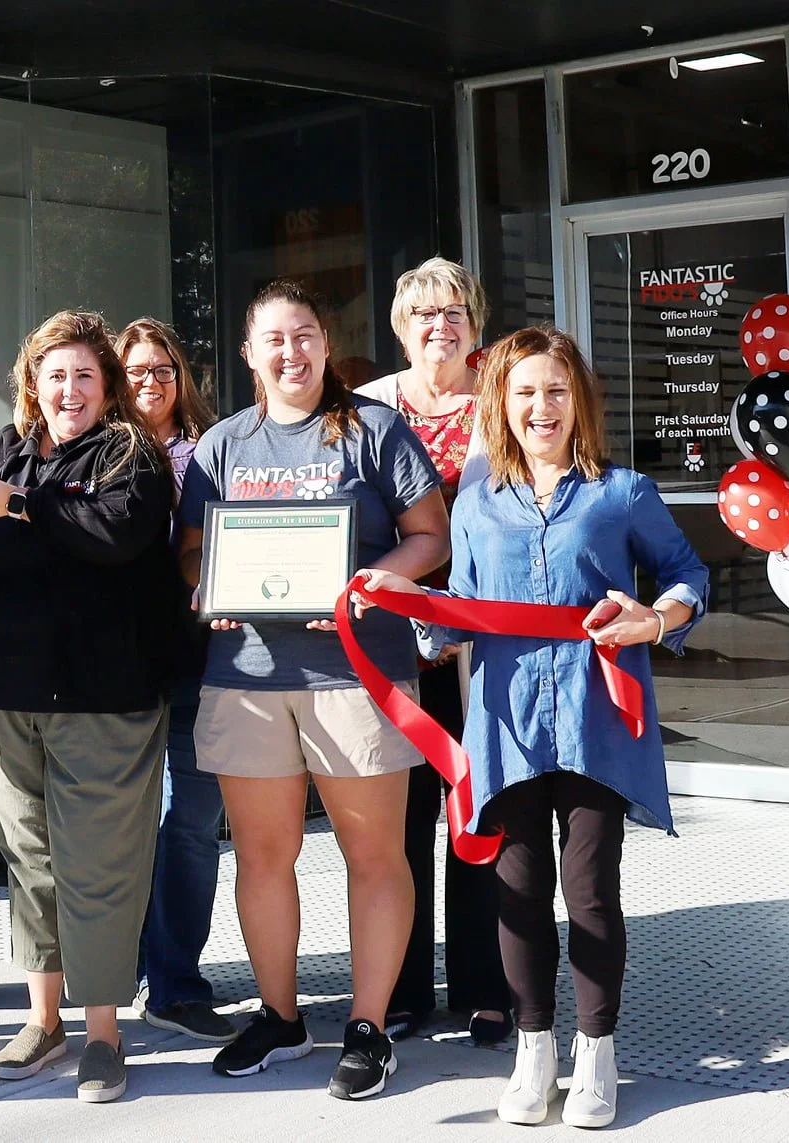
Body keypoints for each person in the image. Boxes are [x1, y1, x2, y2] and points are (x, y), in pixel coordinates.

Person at [356, 326, 708, 1129]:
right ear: (500, 406)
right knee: (513, 896)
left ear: (577, 399)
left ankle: (596, 1051)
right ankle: (533, 1045)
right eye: (523, 393)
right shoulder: (475, 503)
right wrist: (403, 604)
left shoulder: (620, 491)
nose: (540, 407)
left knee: (588, 892)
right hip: (507, 722)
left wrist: (654, 620)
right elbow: (460, 615)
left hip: (597, 719)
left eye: (554, 390)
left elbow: (687, 572)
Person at [177, 279, 450, 1101]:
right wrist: (207, 589)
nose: (290, 352)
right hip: (248, 681)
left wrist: (373, 580)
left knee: (373, 853)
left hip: (355, 675)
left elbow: (428, 535)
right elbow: (193, 554)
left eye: (304, 335)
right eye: (274, 339)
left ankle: (366, 1026)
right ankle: (280, 1015)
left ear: (324, 344)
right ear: (248, 353)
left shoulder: (374, 429)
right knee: (262, 855)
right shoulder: (224, 443)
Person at [0, 310, 178, 1104]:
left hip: (103, 697)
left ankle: (103, 1034)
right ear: (32, 382)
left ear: (108, 387)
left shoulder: (131, 452)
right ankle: (43, 1019)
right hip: (5, 694)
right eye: (54, 375)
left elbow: (116, 532)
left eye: (84, 376)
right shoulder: (1, 446)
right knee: (30, 861)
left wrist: (18, 508)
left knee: (95, 867)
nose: (68, 390)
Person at [355, 257, 511, 1046]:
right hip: (389, 647)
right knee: (400, 821)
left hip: (477, 645)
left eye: (453, 311)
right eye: (422, 313)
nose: (438, 326)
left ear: (474, 323)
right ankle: (404, 985)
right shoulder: (365, 407)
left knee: (478, 811)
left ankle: (486, 984)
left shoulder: (504, 402)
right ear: (399, 325)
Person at [114, 317, 234, 1044]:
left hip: (198, 667)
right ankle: (116, 967)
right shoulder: (90, 452)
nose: (150, 380)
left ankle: (177, 982)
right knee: (119, 829)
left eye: (163, 367)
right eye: (135, 370)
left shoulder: (213, 453)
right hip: (114, 675)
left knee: (187, 824)